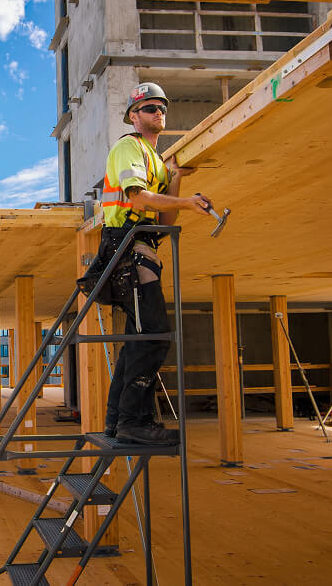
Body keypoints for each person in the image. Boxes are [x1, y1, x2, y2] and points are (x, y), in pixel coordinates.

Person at [98, 82, 212, 446]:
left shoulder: (157, 164)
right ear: (134, 116)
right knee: (153, 337)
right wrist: (187, 201)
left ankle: (118, 421)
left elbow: (165, 225)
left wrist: (177, 181)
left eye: (161, 107)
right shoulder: (128, 147)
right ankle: (134, 421)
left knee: (138, 340)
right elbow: (138, 199)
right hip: (126, 249)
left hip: (141, 249)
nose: (158, 112)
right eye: (149, 108)